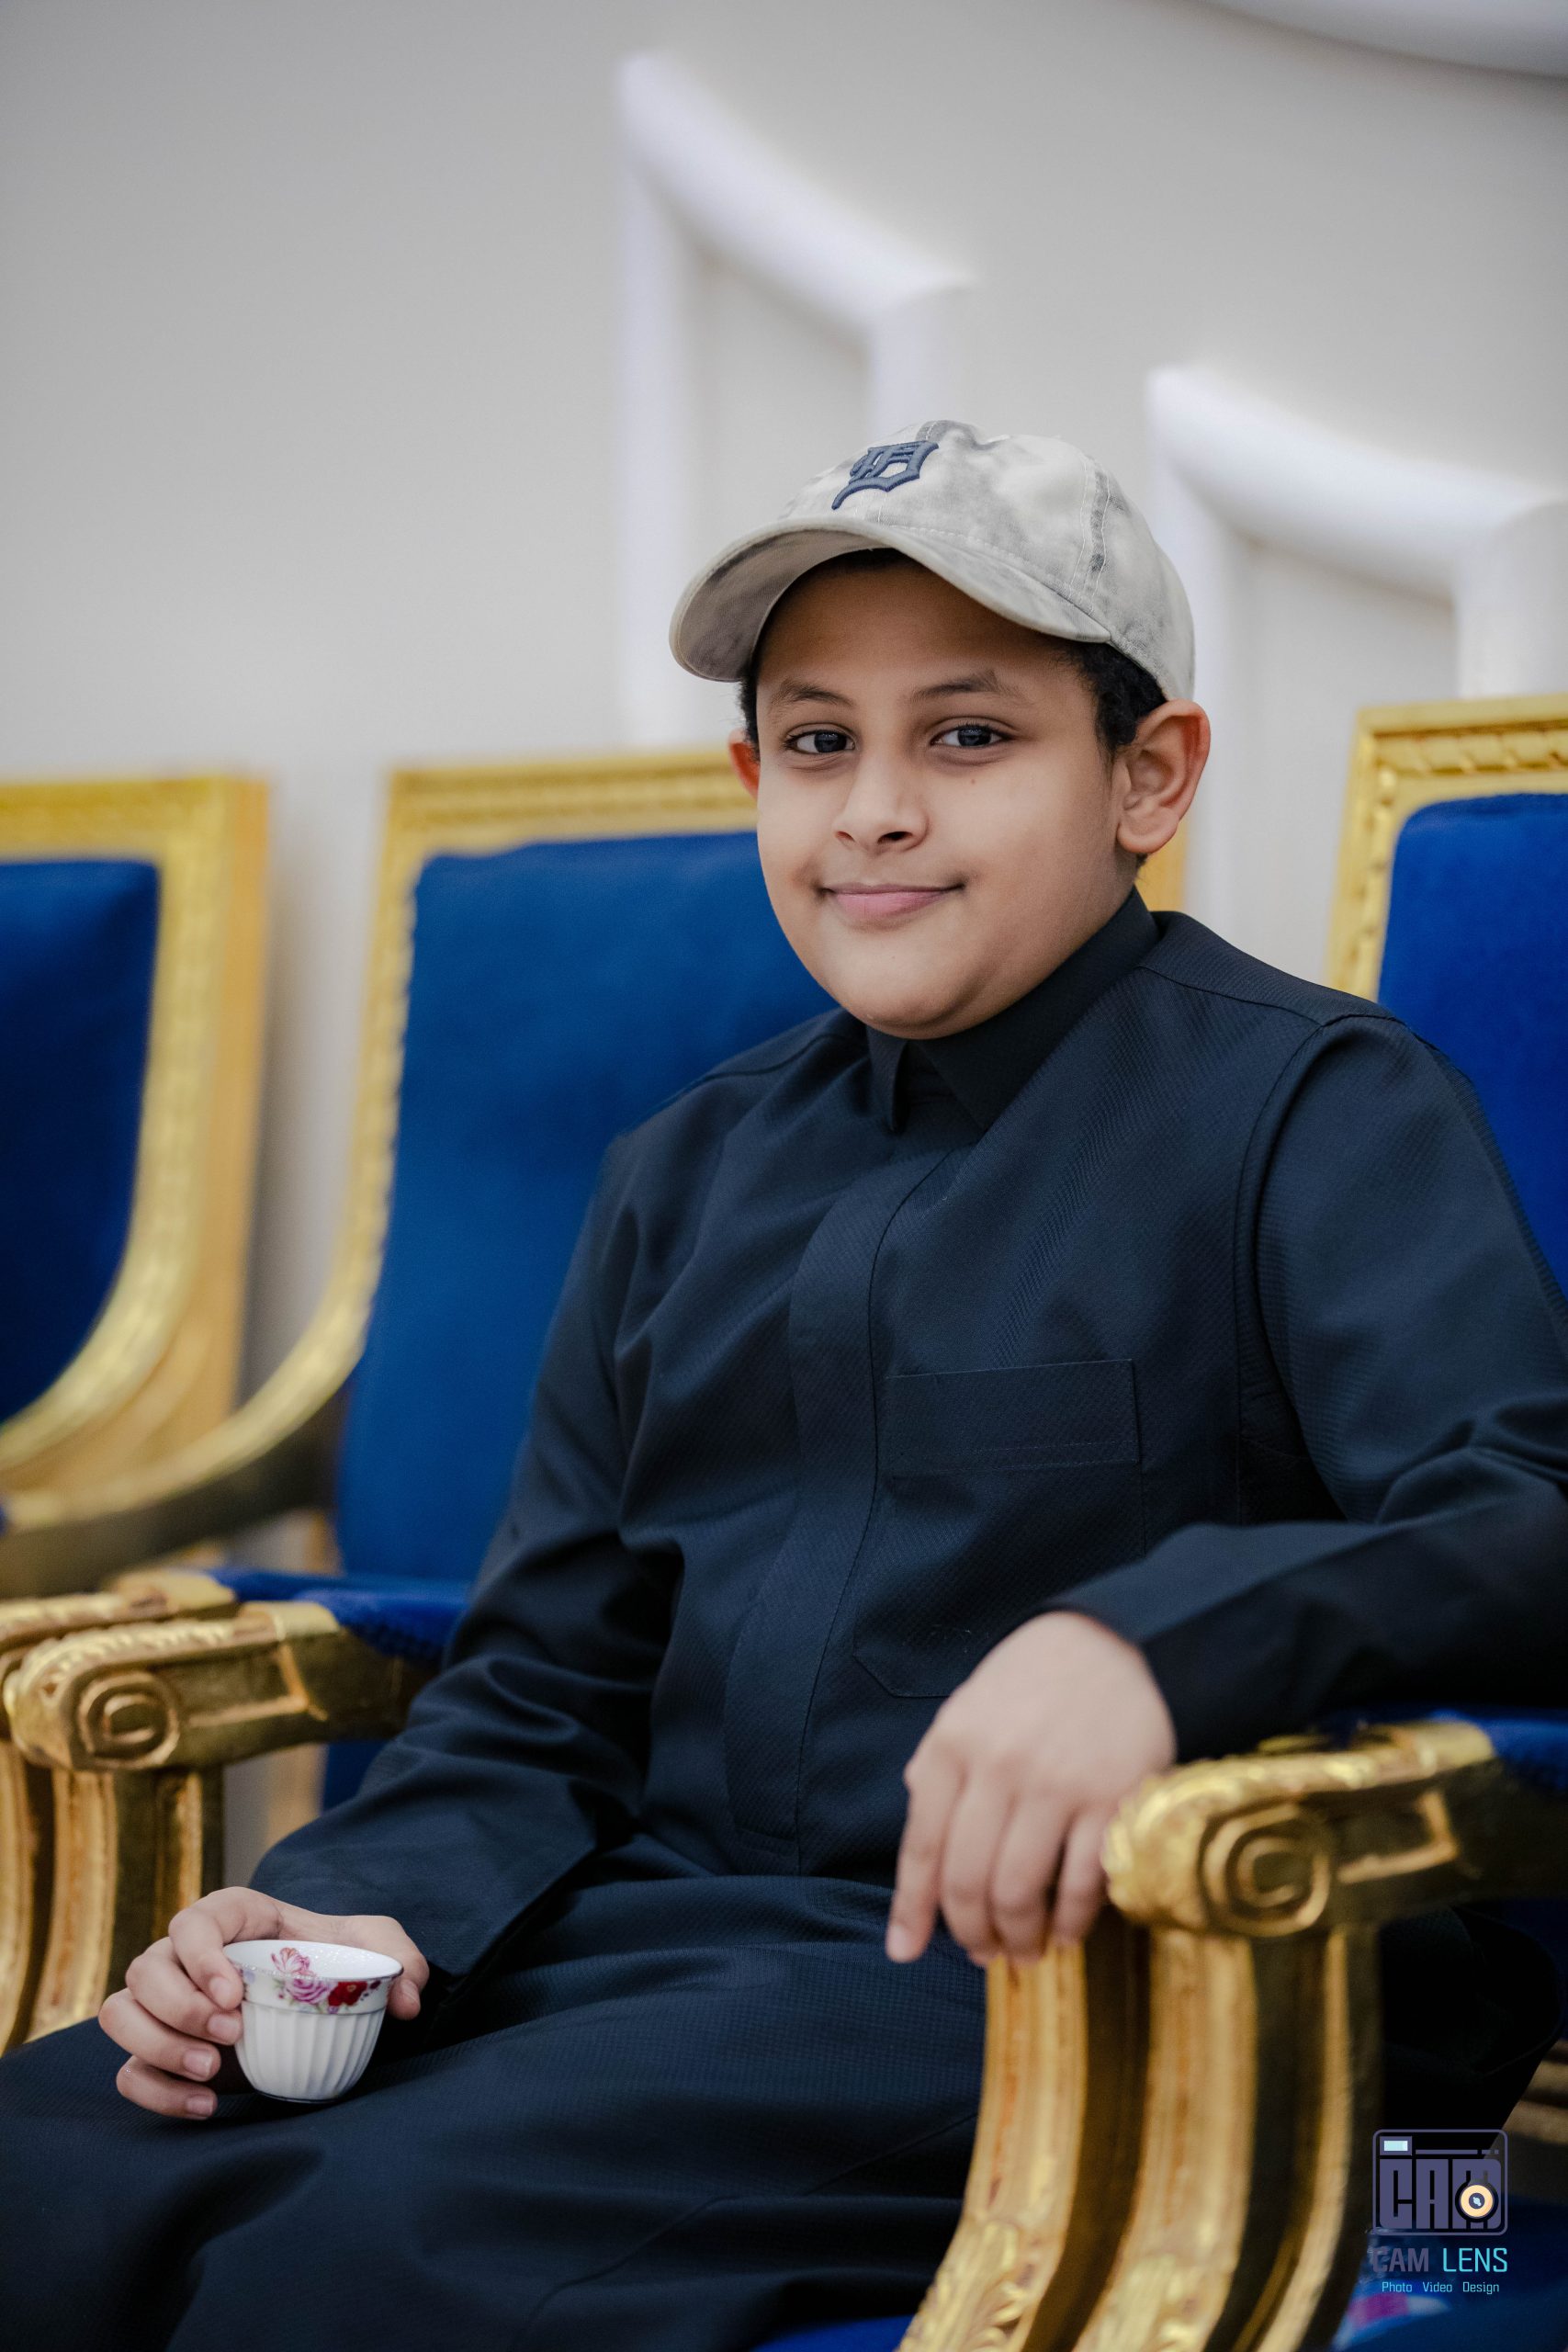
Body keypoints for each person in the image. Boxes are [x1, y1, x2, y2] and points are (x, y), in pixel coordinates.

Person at [3, 422, 1565, 2352]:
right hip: (666, 1951)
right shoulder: (685, 1168)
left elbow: (1528, 1511)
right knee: (51, 2157)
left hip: (1110, 1979)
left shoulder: (1315, 1107)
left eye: (968, 735)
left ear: (1147, 775)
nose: (876, 811)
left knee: (355, 2256)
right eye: (819, 741)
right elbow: (545, 1675)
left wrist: (1155, 1642)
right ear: (753, 781)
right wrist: (349, 1907)